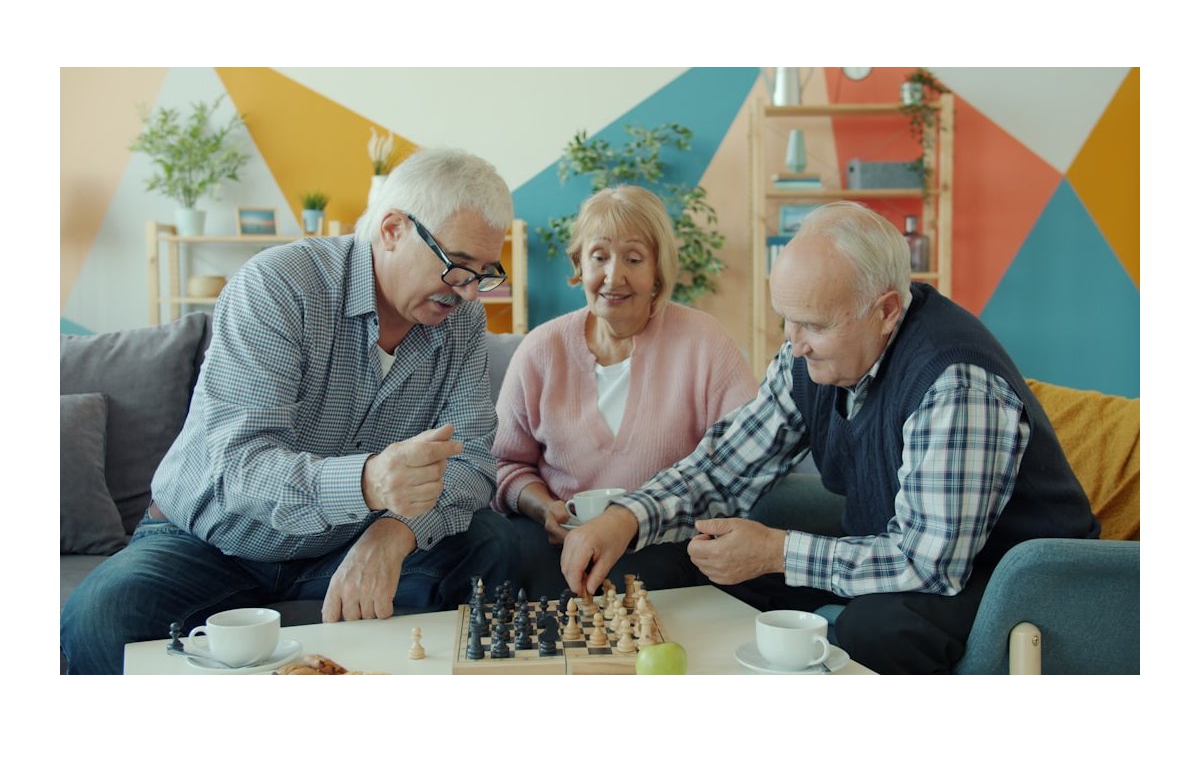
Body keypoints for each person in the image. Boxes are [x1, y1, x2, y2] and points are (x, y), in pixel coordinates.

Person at [560, 200, 1099, 674]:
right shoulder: (811, 356)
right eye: (785, 322)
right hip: (903, 557)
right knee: (685, 560)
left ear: (886, 310)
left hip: (1009, 576)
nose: (794, 346)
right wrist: (626, 517)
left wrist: (778, 552)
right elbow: (725, 464)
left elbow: (929, 564)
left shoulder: (954, 381)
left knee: (878, 629)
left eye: (813, 326)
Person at [61, 147, 521, 674]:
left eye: (483, 273)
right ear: (393, 229)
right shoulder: (281, 287)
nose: (466, 291)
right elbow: (240, 467)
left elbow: (474, 463)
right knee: (99, 617)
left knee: (493, 546)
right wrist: (369, 482)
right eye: (457, 266)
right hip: (212, 541)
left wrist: (394, 533)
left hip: (346, 541)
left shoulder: (462, 322)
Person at [490, 185, 757, 596]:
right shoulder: (542, 349)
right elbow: (505, 464)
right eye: (599, 257)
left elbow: (744, 461)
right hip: (559, 542)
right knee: (506, 561)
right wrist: (543, 507)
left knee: (628, 582)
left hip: (668, 542)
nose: (614, 277)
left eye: (634, 259)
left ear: (658, 272)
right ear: (579, 263)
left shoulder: (704, 341)